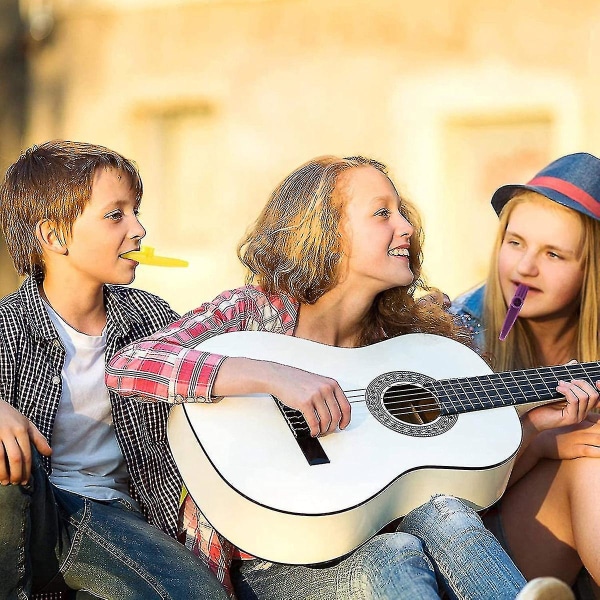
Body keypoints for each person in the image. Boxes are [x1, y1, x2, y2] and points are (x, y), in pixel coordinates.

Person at [106, 154, 589, 600]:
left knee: (446, 512)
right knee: (395, 554)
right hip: (271, 561)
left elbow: (453, 469)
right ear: (324, 232)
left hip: (384, 539)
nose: (406, 228)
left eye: (402, 213)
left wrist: (537, 426)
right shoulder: (253, 311)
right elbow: (129, 365)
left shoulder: (412, 344)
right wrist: (273, 376)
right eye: (382, 214)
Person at [0, 140, 228, 599]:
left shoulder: (153, 320)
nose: (139, 228)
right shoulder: (7, 326)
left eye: (136, 211)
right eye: (115, 215)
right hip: (30, 509)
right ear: (54, 236)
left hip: (114, 517)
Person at [451, 152, 600, 595]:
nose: (524, 268)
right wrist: (541, 441)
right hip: (470, 545)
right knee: (588, 467)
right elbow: (447, 497)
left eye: (553, 253)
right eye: (514, 242)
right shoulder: (460, 333)